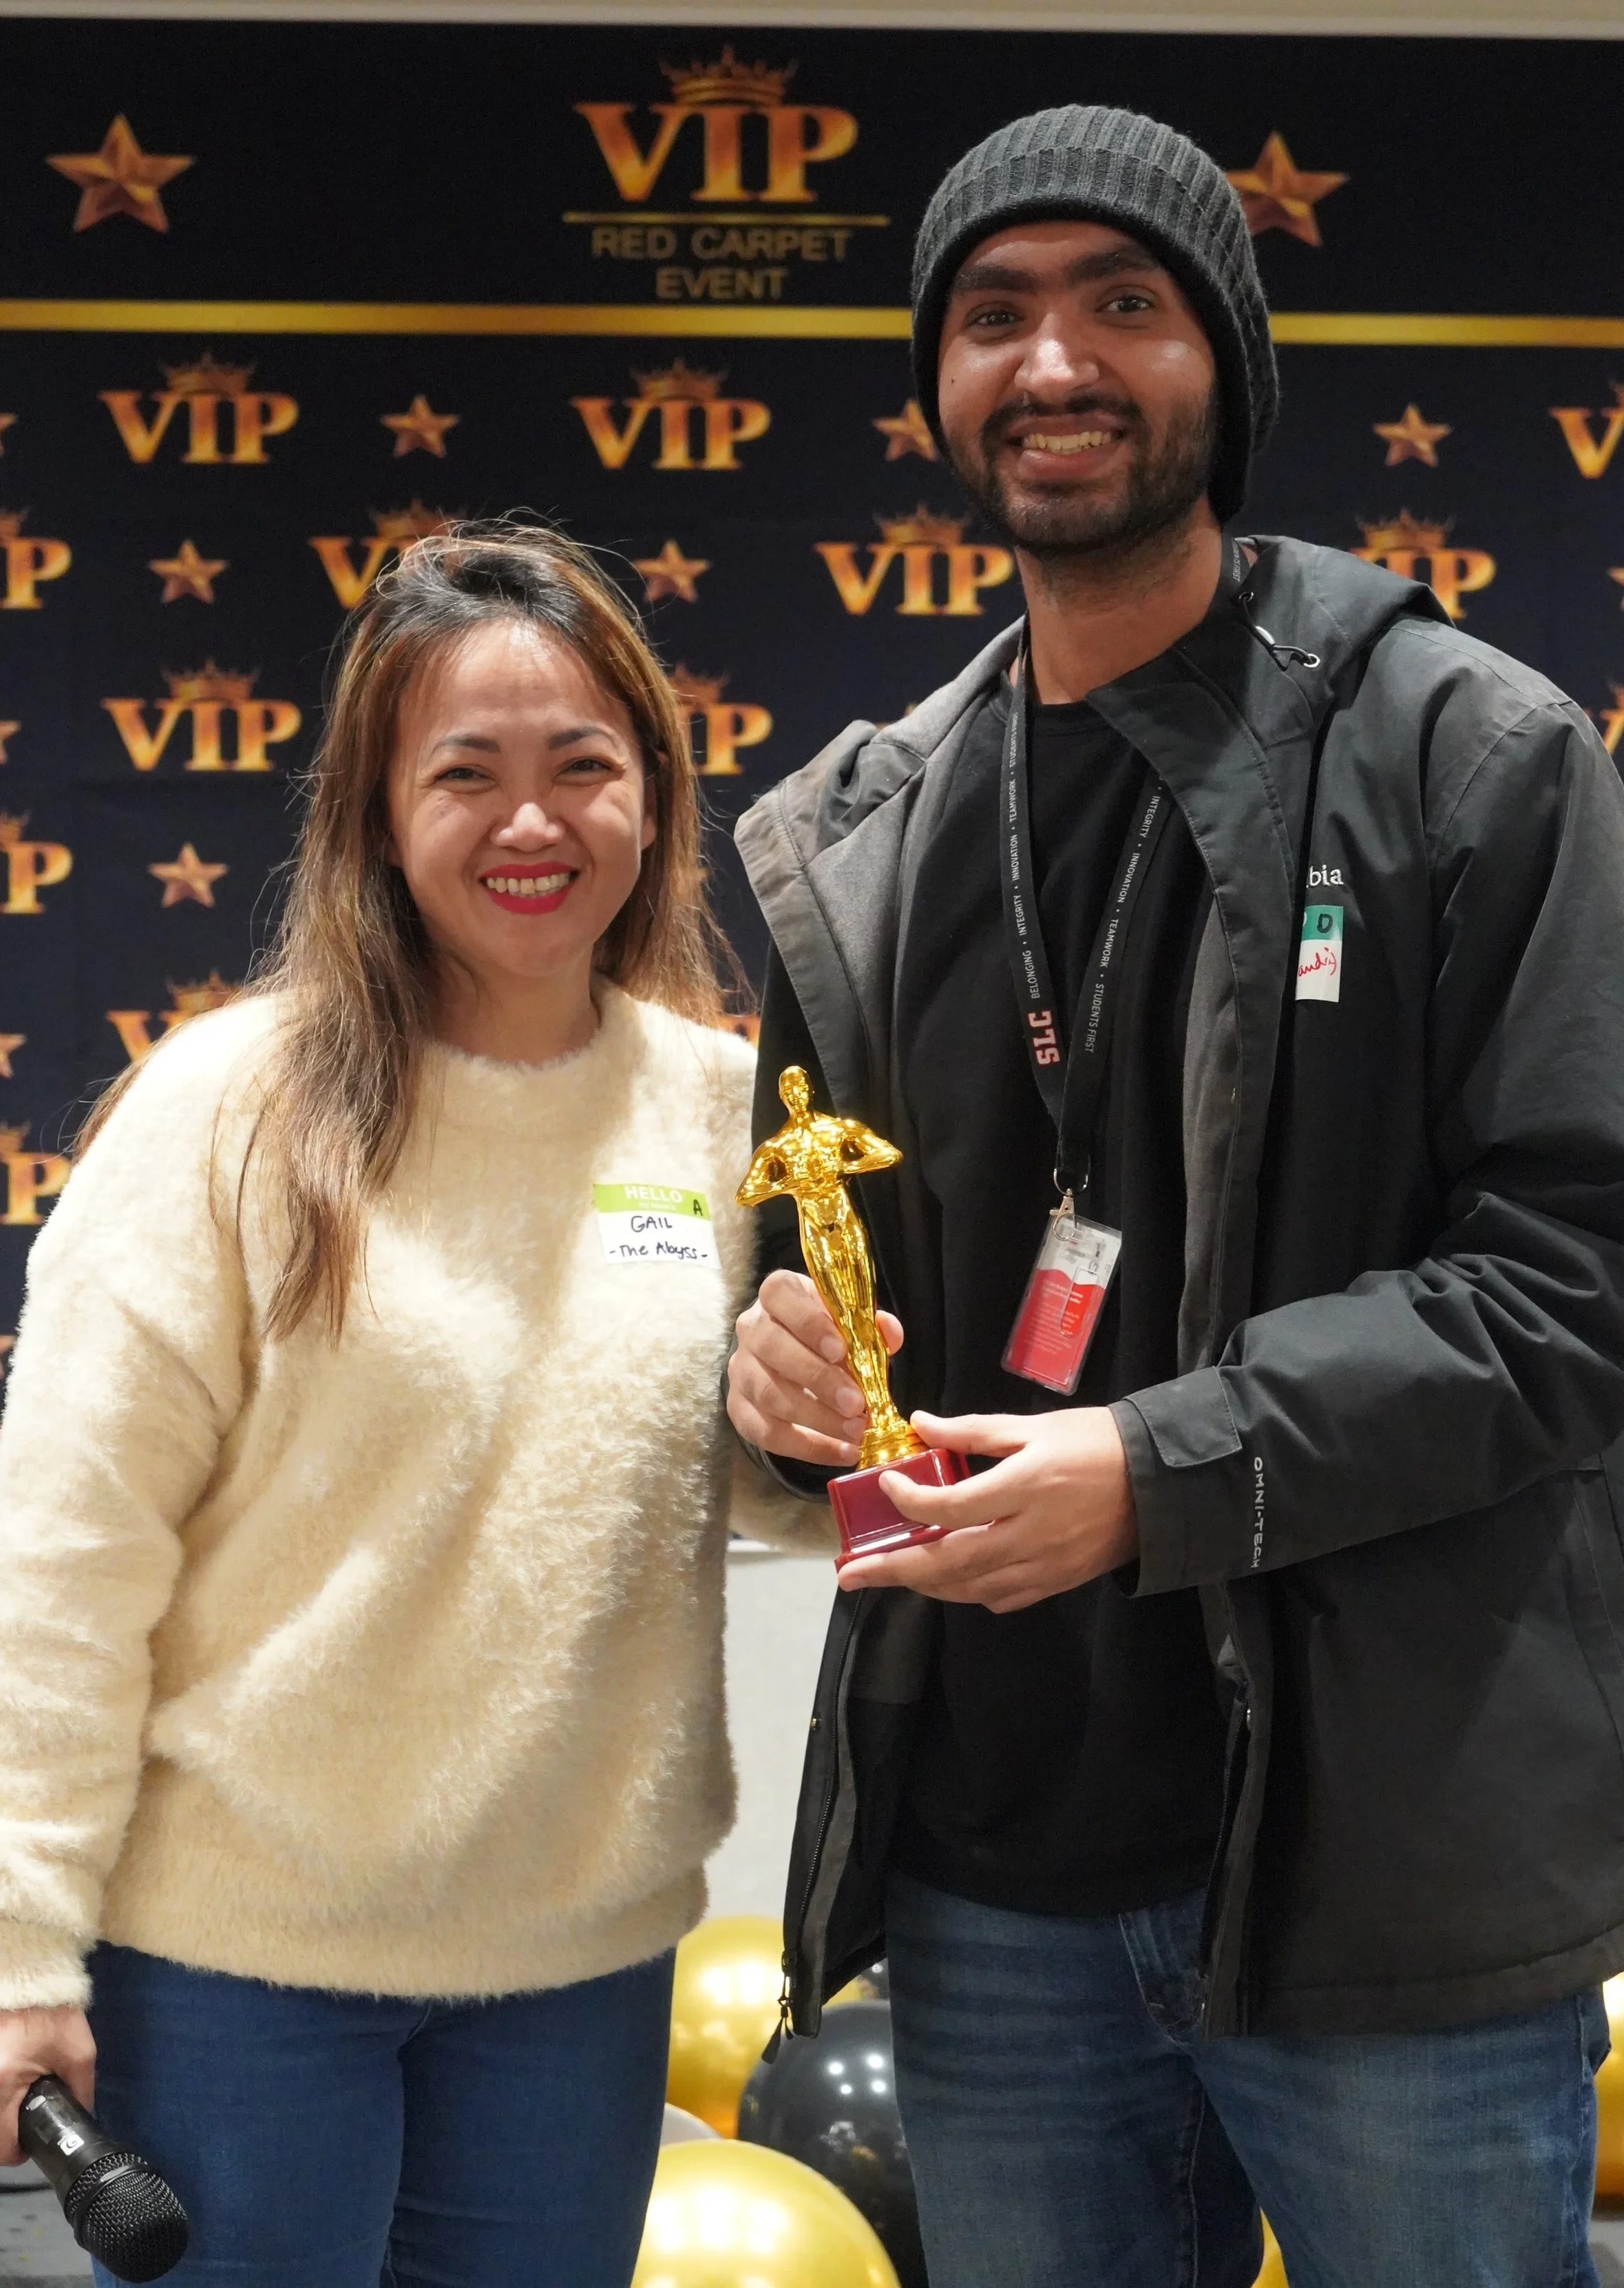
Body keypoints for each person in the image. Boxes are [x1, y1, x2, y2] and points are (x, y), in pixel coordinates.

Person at [726, 103, 1624, 2288]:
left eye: (1120, 305)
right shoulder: (865, 828)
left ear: (1222, 359)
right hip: (986, 1880)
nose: (1053, 363)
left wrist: (1157, 1468)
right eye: (994, 315)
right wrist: (770, 1349)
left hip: (1377, 1880)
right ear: (935, 386)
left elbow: (1572, 1280)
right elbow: (811, 1245)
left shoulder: (1467, 758)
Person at [0, 522, 816, 2288]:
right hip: (242, 1971)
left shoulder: (726, 1118)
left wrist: (817, 1445)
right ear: (377, 813)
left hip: (576, 1968)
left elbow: (740, 1487)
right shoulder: (230, 1112)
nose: (530, 821)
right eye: (464, 772)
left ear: (655, 797)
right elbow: (68, 1564)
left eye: (582, 767)